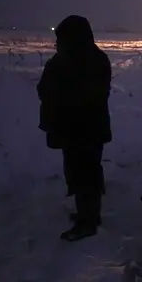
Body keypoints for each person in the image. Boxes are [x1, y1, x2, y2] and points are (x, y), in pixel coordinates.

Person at [37, 15, 112, 241]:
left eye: (62, 39)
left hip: (83, 128)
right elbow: (46, 87)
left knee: (85, 173)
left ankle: (88, 222)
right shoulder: (70, 58)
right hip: (74, 128)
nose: (57, 43)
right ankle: (87, 215)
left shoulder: (88, 61)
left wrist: (59, 98)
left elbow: (87, 95)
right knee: (81, 171)